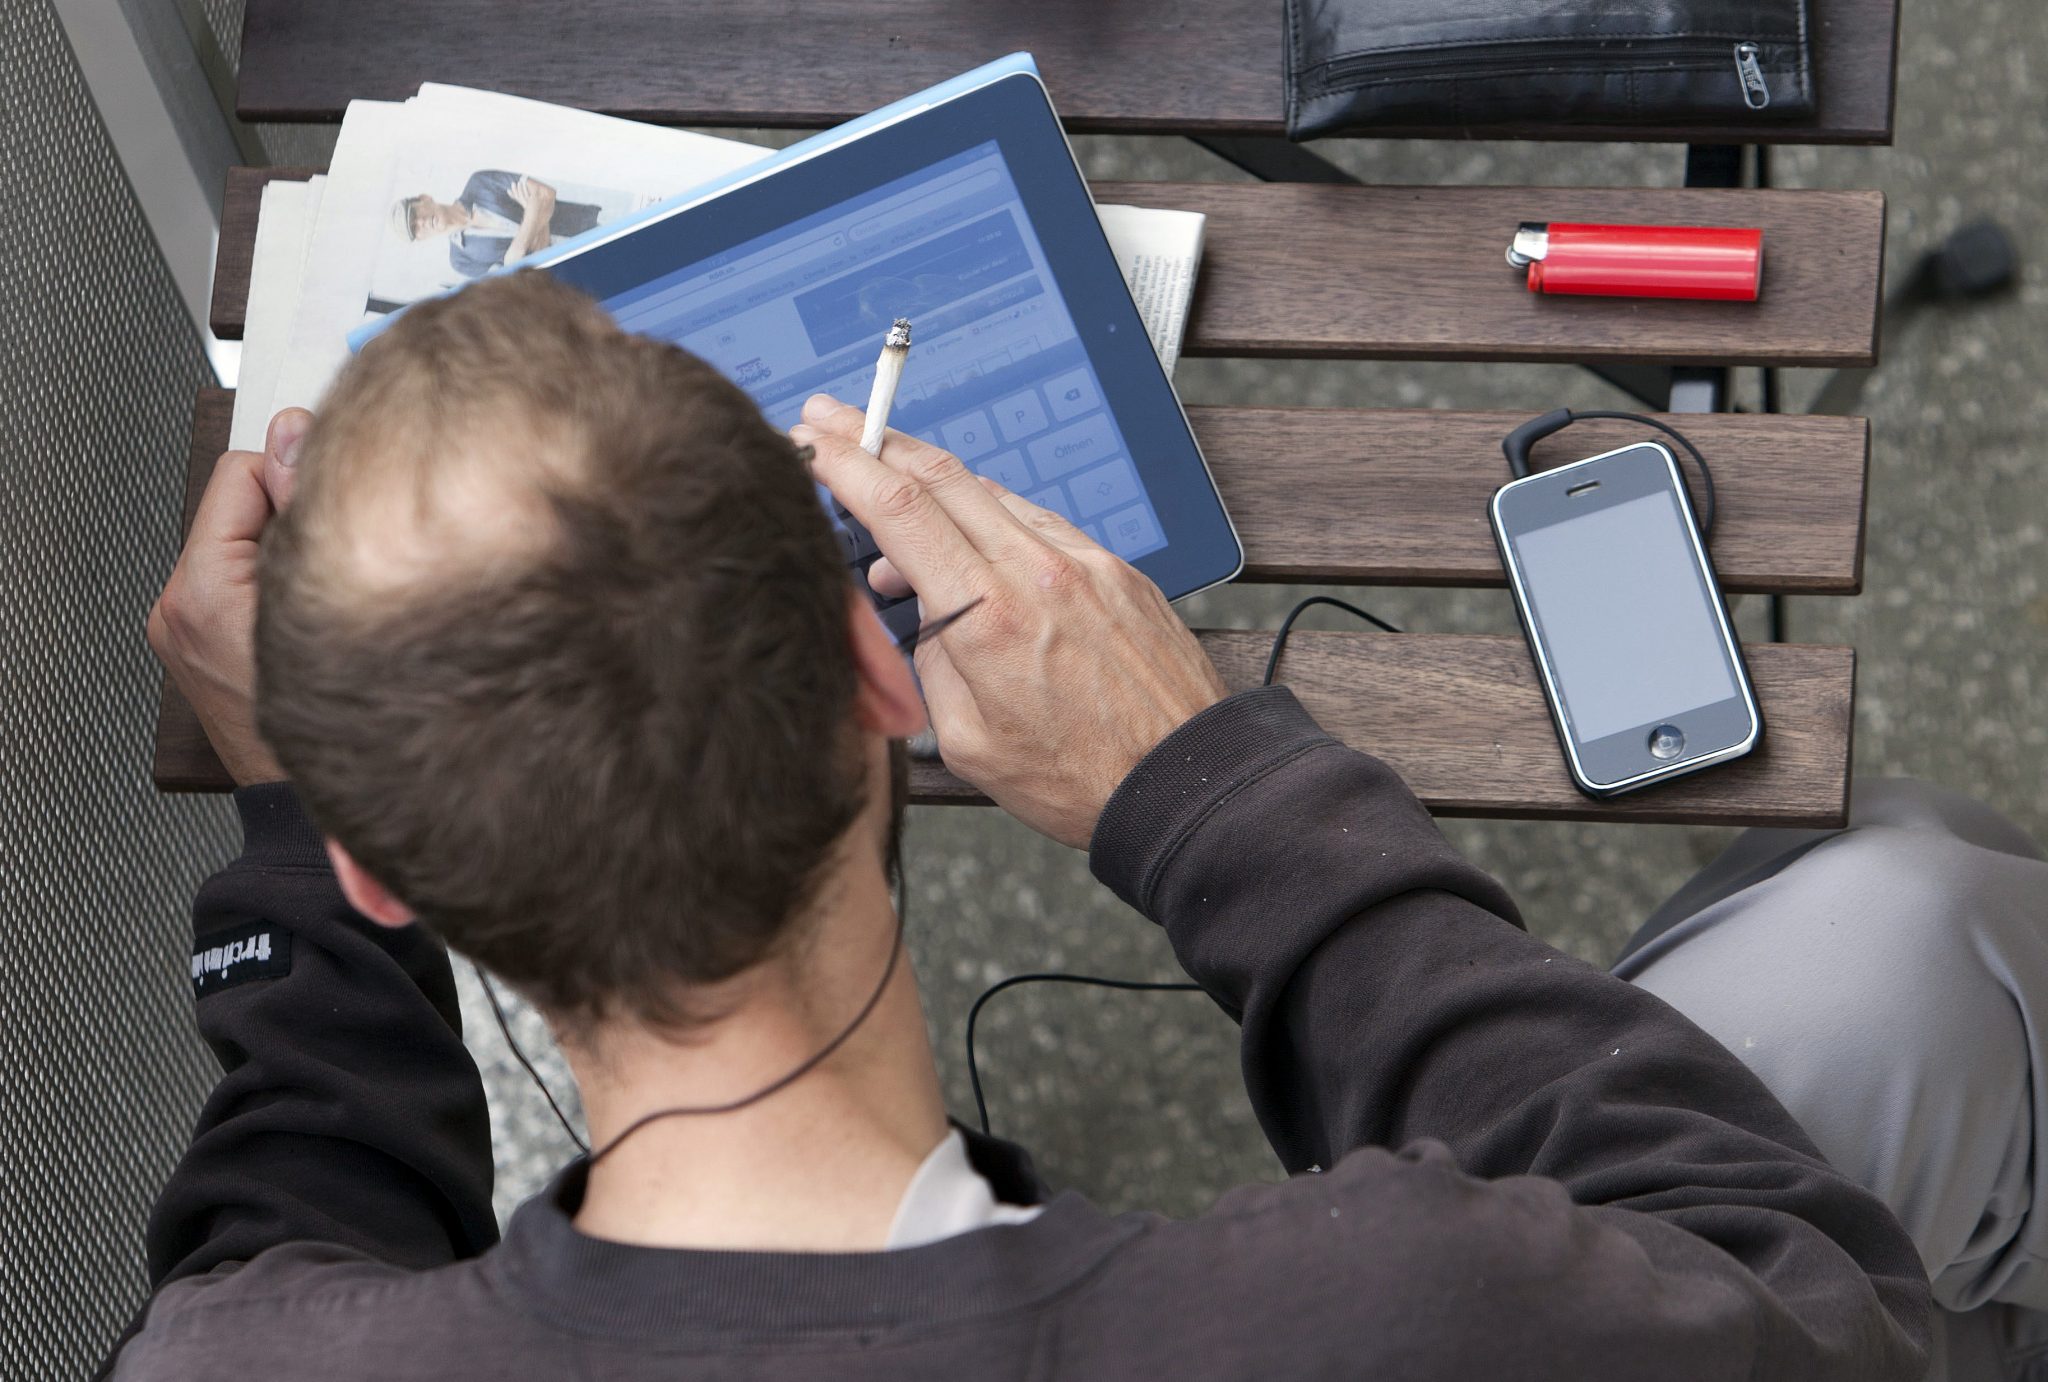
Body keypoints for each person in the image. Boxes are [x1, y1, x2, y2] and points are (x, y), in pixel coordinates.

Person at [121, 266, 2036, 1380]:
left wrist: (289, 843)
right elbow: (1810, 1287)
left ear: (382, 875)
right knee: (1905, 936)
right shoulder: (1396, 1312)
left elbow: (264, 1275)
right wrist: (1204, 793)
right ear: (885, 683)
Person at [391, 171, 601, 279]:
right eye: (416, 229)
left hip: (590, 226)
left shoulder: (479, 183)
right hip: (573, 269)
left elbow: (546, 193)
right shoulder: (461, 260)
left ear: (425, 198)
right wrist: (532, 209)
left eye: (416, 213)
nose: (422, 222)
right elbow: (527, 276)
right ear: (422, 239)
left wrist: (519, 247)